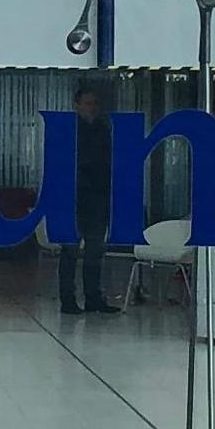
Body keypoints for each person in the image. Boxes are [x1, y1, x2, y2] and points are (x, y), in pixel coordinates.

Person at [58, 83, 121, 315]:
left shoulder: (103, 130)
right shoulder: (70, 132)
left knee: (95, 251)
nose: (92, 108)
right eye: (87, 103)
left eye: (95, 104)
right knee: (71, 251)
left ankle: (93, 297)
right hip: (74, 198)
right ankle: (68, 299)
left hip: (97, 197)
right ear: (77, 106)